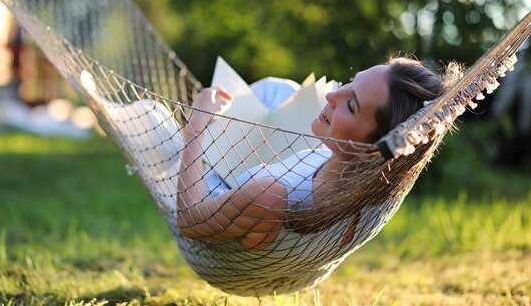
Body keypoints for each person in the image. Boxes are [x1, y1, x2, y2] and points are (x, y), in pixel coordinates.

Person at [176, 56, 463, 250]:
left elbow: (189, 220)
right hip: (253, 178)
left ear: (370, 149)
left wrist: (197, 124)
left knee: (147, 114)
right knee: (280, 90)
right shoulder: (369, 194)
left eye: (351, 105)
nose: (332, 95)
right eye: (351, 81)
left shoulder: (270, 196)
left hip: (202, 191)